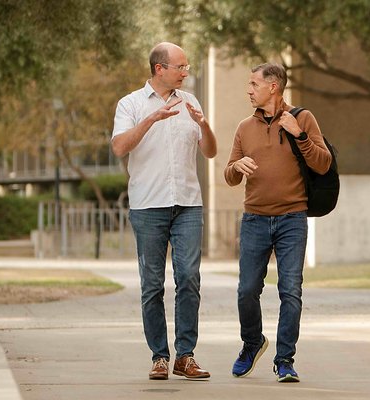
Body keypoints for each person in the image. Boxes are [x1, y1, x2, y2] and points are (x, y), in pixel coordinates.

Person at [112, 42, 217, 380]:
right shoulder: (130, 104)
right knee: (152, 285)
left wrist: (205, 125)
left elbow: (210, 152)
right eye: (180, 67)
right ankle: (159, 356)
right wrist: (152, 119)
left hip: (188, 203)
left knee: (188, 278)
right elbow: (119, 147)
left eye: (186, 67)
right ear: (160, 69)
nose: (186, 72)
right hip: (147, 205)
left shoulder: (191, 102)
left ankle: (185, 355)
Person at [224, 63, 331, 383]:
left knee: (290, 291)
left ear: (273, 87)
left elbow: (323, 164)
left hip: (292, 219)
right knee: (246, 290)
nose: (248, 89)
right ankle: (252, 343)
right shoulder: (244, 127)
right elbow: (228, 175)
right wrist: (236, 166)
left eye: (254, 83)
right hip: (255, 219)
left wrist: (299, 135)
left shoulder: (303, 118)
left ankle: (285, 359)